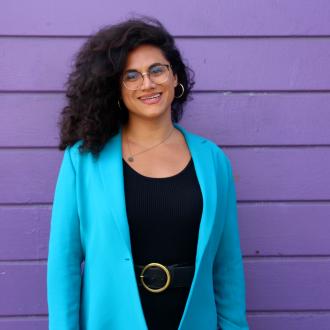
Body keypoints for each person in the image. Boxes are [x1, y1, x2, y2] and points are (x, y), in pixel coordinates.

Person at [47, 16, 249, 330]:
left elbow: (227, 265)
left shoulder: (212, 160)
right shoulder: (84, 161)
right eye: (131, 75)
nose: (148, 83)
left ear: (175, 76)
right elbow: (64, 264)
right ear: (115, 88)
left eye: (157, 70)